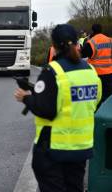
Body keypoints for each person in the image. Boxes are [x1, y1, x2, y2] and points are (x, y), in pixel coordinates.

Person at [14, 24, 102, 192]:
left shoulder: (52, 71)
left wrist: (26, 98)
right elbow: (94, 100)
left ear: (54, 46)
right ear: (77, 44)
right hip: (80, 148)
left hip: (53, 148)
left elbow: (45, 110)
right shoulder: (90, 70)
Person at [82, 24, 112, 105]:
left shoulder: (91, 42)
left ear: (92, 30)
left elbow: (83, 54)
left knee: (97, 98)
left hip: (96, 74)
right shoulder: (110, 40)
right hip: (109, 74)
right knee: (109, 98)